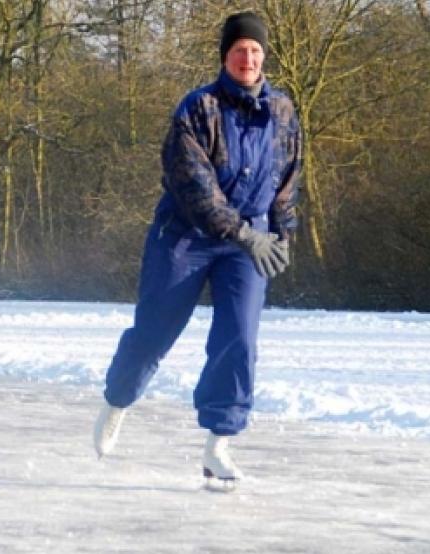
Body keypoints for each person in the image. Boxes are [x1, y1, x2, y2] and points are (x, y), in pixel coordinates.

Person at [93, 11, 302, 488]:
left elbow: (288, 176)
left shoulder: (284, 110)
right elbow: (194, 184)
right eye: (238, 50)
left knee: (240, 338)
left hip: (249, 242)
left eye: (255, 51)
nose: (247, 58)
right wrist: (242, 232)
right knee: (154, 332)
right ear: (225, 56)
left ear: (264, 57)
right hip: (186, 237)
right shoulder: (197, 108)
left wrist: (283, 232)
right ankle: (117, 400)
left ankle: (218, 443)